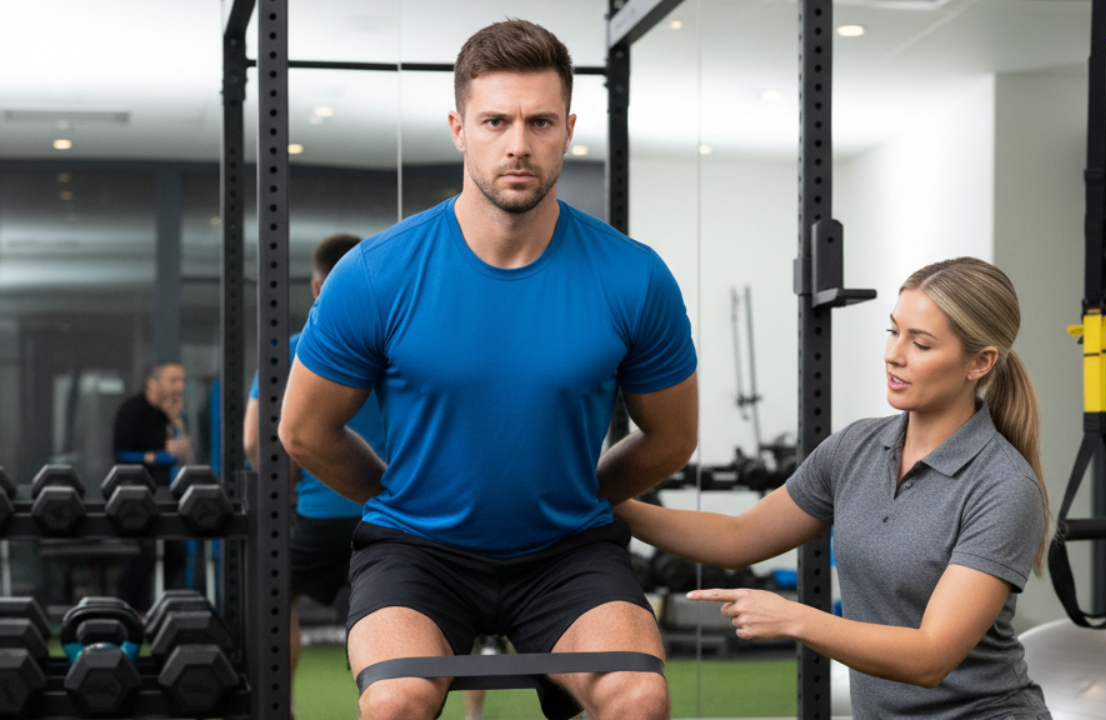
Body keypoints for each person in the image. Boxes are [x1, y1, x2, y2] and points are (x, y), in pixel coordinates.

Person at [278, 19, 698, 720]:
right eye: (495, 120)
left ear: (568, 128)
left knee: (639, 697)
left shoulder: (634, 277)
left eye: (539, 122)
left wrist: (577, 492)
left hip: (567, 554)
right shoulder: (376, 275)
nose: (518, 144)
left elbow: (672, 438)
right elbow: (303, 430)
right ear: (458, 128)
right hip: (416, 552)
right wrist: (401, 492)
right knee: (394, 704)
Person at [617, 257, 1053, 719]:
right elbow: (737, 538)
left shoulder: (1003, 487)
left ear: (980, 363)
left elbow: (931, 655)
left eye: (921, 344)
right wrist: (608, 504)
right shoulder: (855, 448)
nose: (894, 354)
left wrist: (792, 617)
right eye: (893, 332)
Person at [243, 233, 387, 694]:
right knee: (400, 603)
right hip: (389, 514)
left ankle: (280, 707)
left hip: (320, 518)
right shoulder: (397, 345)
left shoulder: (285, 351)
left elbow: (253, 442)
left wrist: (290, 484)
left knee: (271, 591)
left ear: (316, 287)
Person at [112, 361, 192, 610]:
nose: (180, 386)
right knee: (142, 555)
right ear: (153, 383)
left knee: (175, 554)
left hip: (168, 496)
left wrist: (176, 422)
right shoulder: (132, 410)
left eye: (182, 381)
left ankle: (165, 609)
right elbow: (120, 453)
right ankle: (131, 610)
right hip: (135, 498)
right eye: (173, 380)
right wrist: (156, 456)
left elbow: (186, 458)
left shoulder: (175, 415)